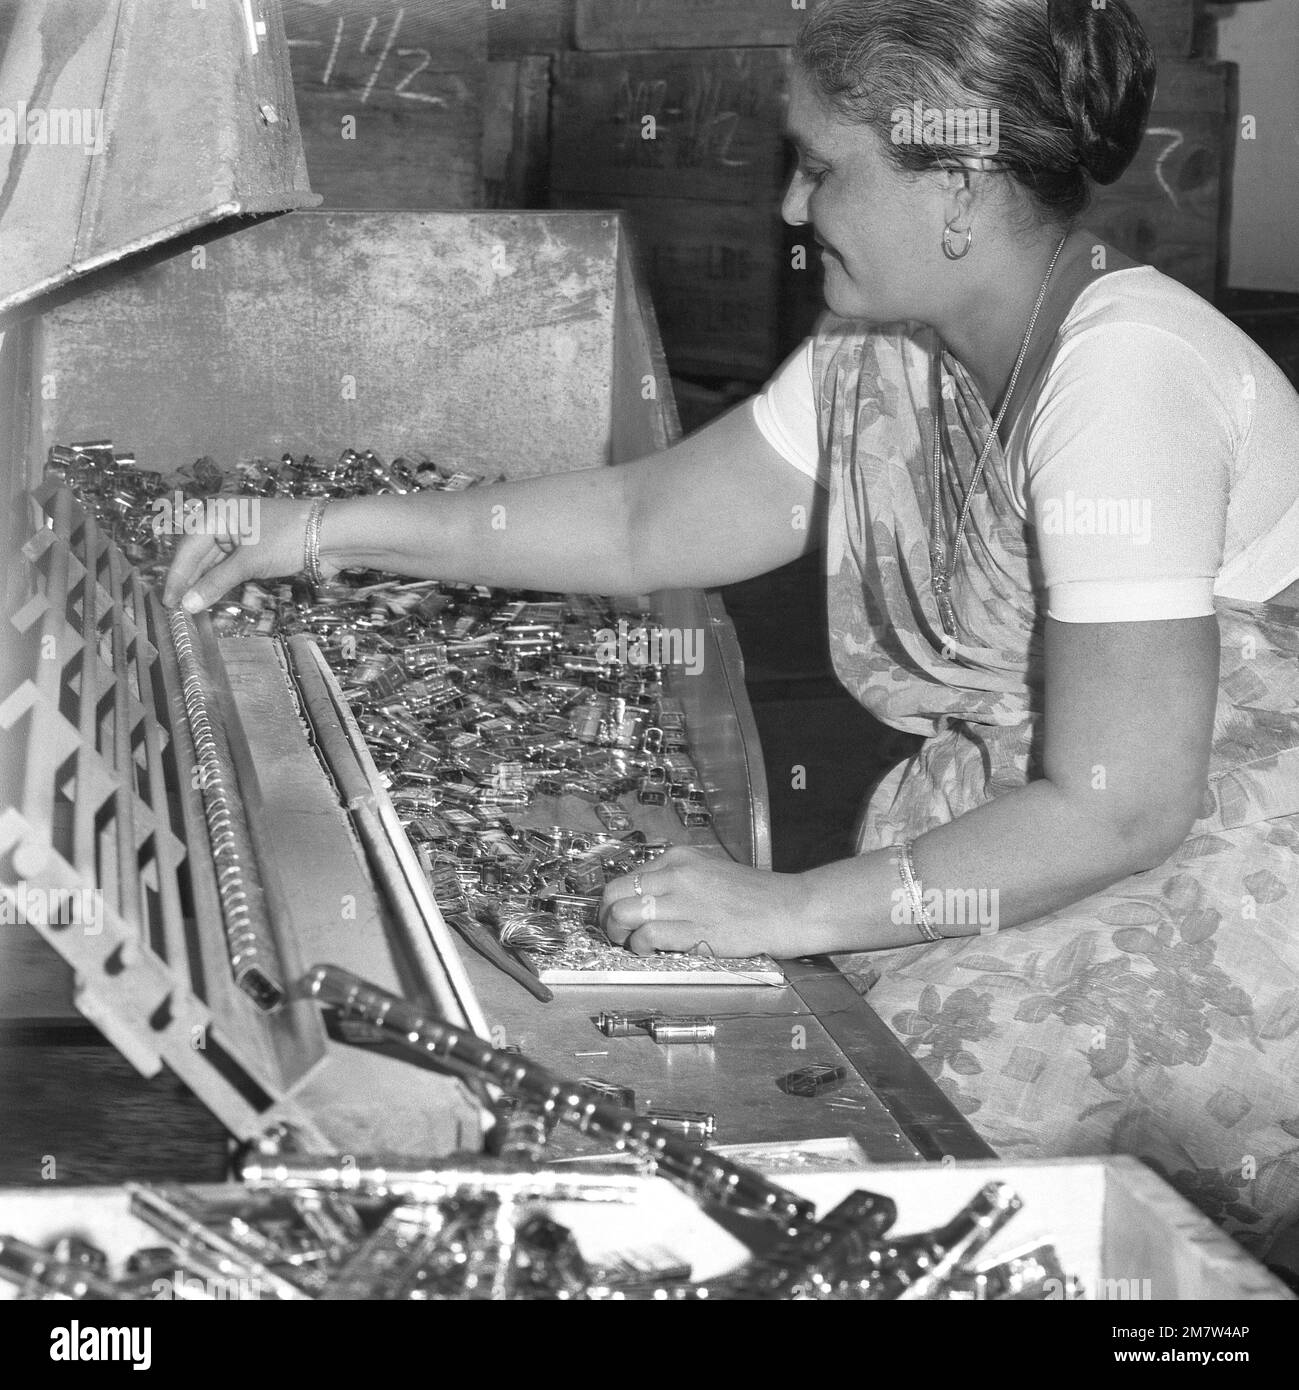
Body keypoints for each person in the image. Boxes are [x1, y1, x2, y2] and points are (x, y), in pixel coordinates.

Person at [165, 0, 1299, 1259]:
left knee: (897, 1149)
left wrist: (795, 904)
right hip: (1048, 824)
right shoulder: (889, 348)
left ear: (960, 185)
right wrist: (318, 529)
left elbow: (1123, 803)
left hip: (1226, 864)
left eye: (823, 167)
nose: (792, 213)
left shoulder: (1123, 376)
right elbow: (649, 523)